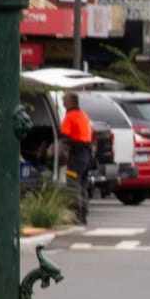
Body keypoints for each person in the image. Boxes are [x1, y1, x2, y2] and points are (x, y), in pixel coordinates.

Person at [58, 93, 94, 226]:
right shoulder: (83, 115)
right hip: (86, 155)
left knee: (73, 185)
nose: (63, 104)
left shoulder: (70, 117)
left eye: (64, 102)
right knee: (82, 186)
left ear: (70, 103)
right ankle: (83, 215)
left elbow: (64, 137)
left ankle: (75, 216)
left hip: (76, 155)